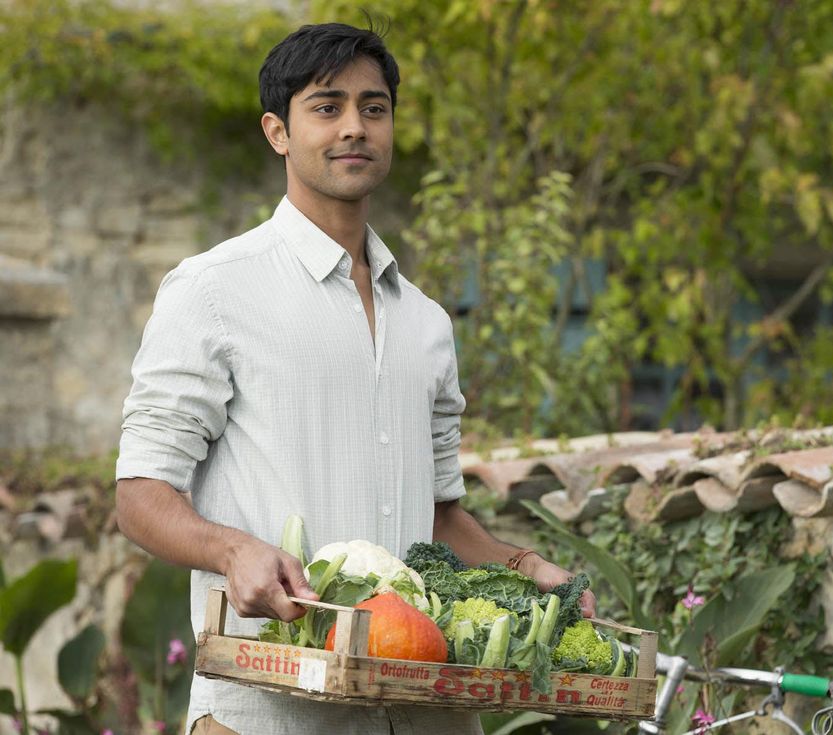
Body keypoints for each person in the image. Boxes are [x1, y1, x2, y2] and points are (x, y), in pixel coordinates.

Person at [115, 20, 596, 735]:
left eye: (374, 108)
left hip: (423, 708)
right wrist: (233, 548)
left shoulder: (428, 322)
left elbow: (435, 516)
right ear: (278, 131)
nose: (355, 127)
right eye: (327, 106)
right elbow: (140, 495)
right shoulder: (212, 291)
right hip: (267, 708)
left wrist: (524, 565)